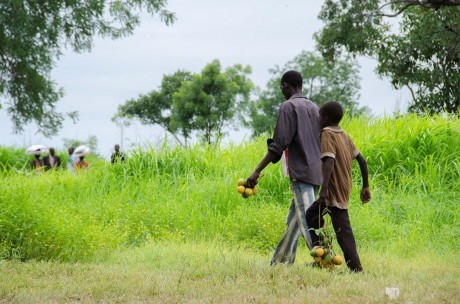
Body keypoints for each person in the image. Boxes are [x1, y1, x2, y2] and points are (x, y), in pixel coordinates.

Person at [245, 70, 323, 265]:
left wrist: (257, 171)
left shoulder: (288, 107)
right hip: (318, 171)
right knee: (295, 221)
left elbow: (278, 145)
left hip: (302, 172)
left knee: (307, 219)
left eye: (282, 88)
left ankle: (325, 260)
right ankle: (281, 262)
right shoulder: (315, 108)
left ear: (286, 86)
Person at [306, 101, 371, 273]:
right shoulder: (345, 135)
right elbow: (362, 161)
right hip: (344, 187)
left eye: (320, 116)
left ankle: (355, 268)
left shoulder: (326, 133)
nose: (318, 120)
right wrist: (366, 186)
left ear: (325, 118)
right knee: (314, 215)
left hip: (332, 190)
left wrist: (324, 189)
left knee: (342, 231)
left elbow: (329, 161)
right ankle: (323, 256)